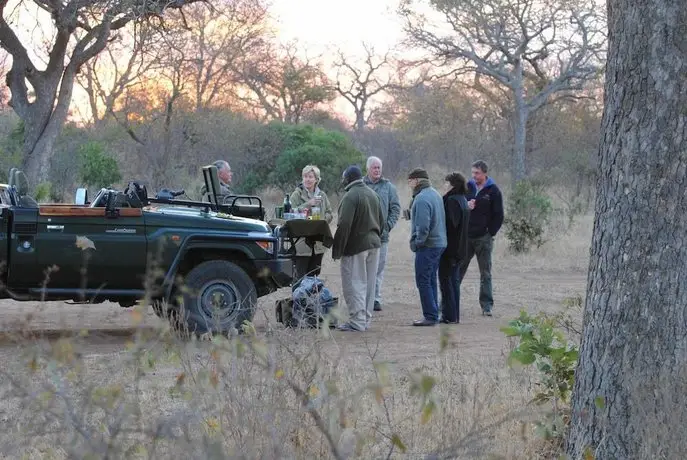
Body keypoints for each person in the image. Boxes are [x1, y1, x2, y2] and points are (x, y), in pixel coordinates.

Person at [332, 165, 384, 332]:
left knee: (354, 284)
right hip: (375, 245)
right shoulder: (373, 194)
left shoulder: (350, 196)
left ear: (347, 179)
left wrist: (338, 249)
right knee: (369, 283)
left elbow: (344, 225)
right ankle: (365, 320)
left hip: (356, 247)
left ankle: (357, 321)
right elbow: (381, 221)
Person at [459, 160, 504, 316]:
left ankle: (486, 306)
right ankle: (448, 302)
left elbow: (499, 215)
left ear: (485, 173)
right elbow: (458, 205)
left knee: (485, 273)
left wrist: (489, 232)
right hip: (466, 236)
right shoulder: (467, 187)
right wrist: (467, 206)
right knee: (458, 269)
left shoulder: (494, 191)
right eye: (472, 172)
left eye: (477, 173)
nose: (474, 176)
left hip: (483, 238)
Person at [407, 167, 447, 326]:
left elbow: (423, 227)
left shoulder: (422, 198)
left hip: (428, 245)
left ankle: (430, 316)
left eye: (410, 180)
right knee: (430, 279)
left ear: (417, 180)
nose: (409, 183)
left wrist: (417, 243)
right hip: (439, 243)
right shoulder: (435, 194)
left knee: (422, 279)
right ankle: (433, 311)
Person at [363, 156, 401, 312]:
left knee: (378, 269)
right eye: (374, 167)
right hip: (363, 236)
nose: (377, 170)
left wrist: (388, 226)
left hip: (381, 236)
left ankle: (375, 299)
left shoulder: (388, 187)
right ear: (368, 169)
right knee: (363, 269)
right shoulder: (361, 185)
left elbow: (396, 209)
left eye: (379, 167)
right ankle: (364, 299)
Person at [288, 164, 334, 280]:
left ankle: (312, 298)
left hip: (318, 242)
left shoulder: (322, 195)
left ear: (316, 179)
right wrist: (309, 204)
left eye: (310, 177)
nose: (307, 179)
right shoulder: (296, 194)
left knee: (314, 274)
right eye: (305, 176)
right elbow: (291, 212)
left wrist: (322, 221)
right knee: (300, 275)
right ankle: (299, 298)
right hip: (301, 242)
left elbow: (330, 213)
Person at [439, 172, 470, 324]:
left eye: (446, 183)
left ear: (452, 185)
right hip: (460, 248)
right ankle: (454, 315)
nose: (444, 185)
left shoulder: (451, 201)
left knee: (447, 282)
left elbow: (450, 224)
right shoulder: (463, 199)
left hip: (451, 249)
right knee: (454, 281)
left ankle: (449, 316)